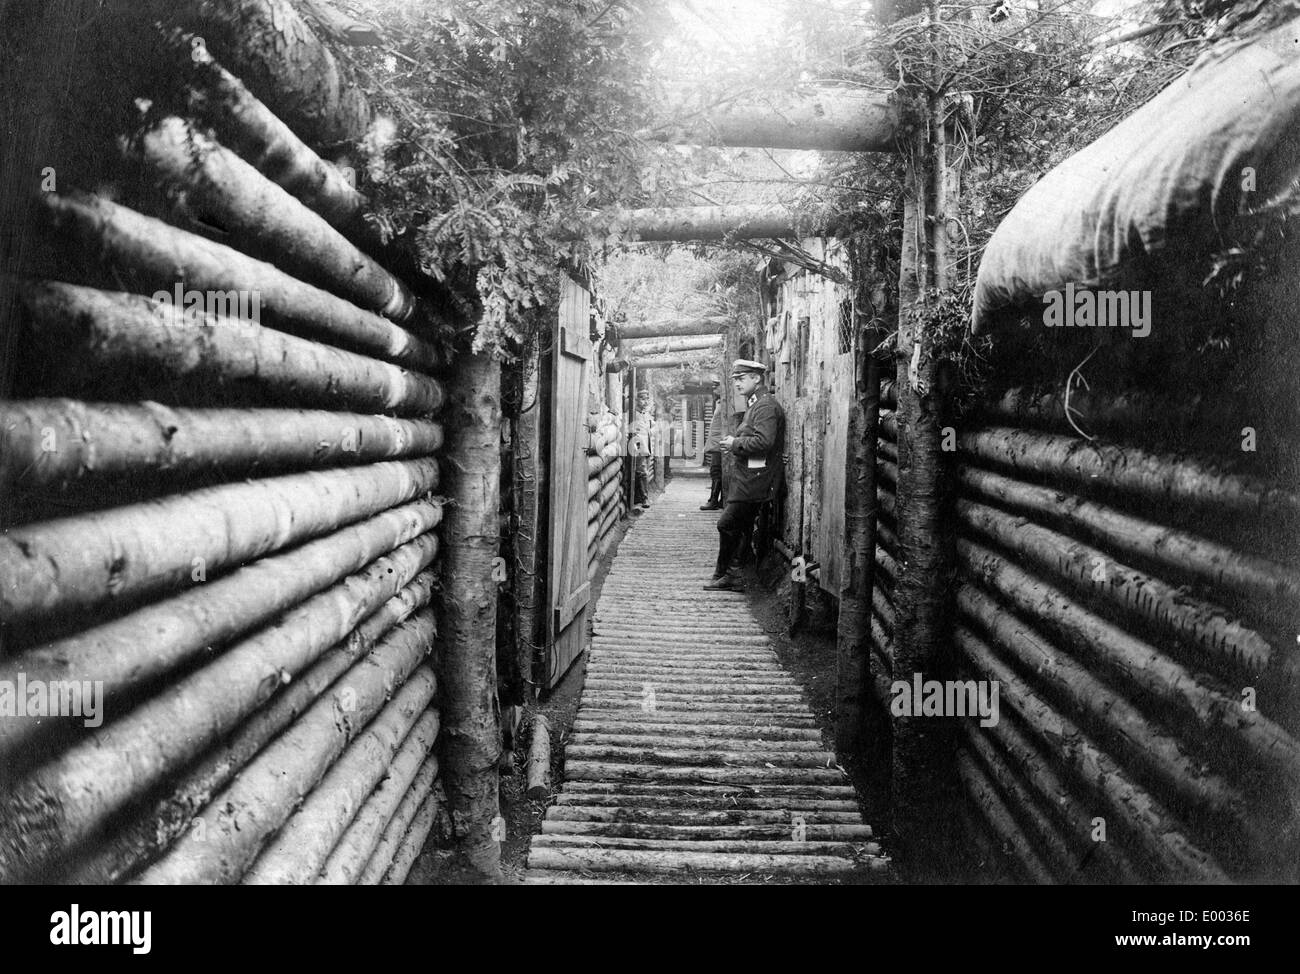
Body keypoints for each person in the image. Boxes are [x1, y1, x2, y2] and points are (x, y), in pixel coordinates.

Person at [704, 359, 785, 591]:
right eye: (735, 380)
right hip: (751, 478)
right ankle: (731, 574)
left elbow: (765, 441)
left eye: (741, 379)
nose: (737, 384)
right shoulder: (756, 404)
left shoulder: (765, 406)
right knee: (741, 525)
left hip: (757, 480)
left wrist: (735, 442)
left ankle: (732, 574)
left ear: (756, 378)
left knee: (726, 524)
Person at [629, 389, 655, 513]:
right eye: (642, 399)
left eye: (646, 399)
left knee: (643, 472)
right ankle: (644, 499)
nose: (644, 401)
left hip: (647, 447)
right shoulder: (633, 414)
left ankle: (641, 497)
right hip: (638, 447)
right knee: (642, 472)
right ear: (636, 400)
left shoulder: (646, 414)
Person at [699, 376, 724, 510]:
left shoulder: (726, 402)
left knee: (716, 470)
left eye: (717, 386)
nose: (714, 388)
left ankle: (714, 500)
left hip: (721, 442)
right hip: (716, 443)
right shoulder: (719, 401)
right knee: (716, 470)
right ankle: (718, 500)